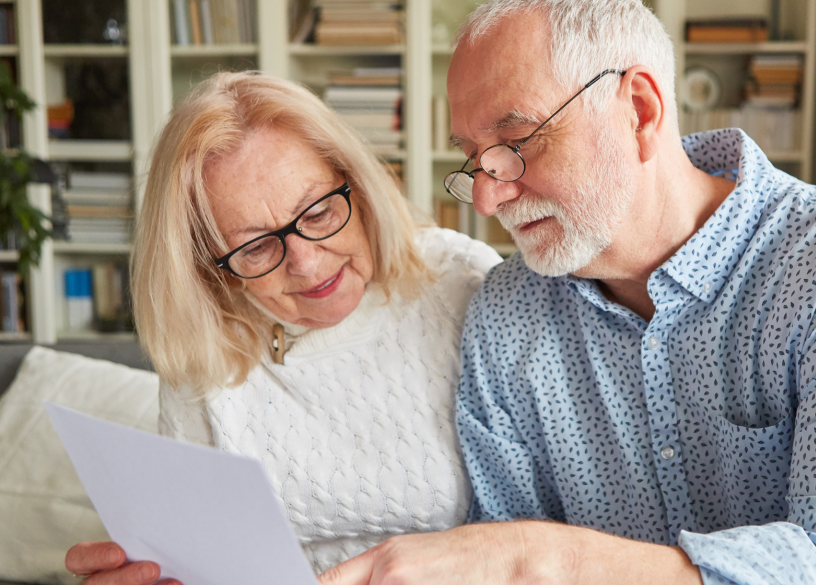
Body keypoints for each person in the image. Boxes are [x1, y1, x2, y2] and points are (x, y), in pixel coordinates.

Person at [321, 1, 816, 585]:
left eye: (515, 143)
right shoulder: (507, 312)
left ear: (639, 111)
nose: (486, 198)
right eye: (474, 159)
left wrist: (537, 558)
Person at [63, 71, 503, 584]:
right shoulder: (208, 351)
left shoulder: (463, 283)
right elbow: (204, 561)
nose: (307, 263)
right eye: (255, 247)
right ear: (210, 266)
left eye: (316, 212)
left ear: (358, 187)